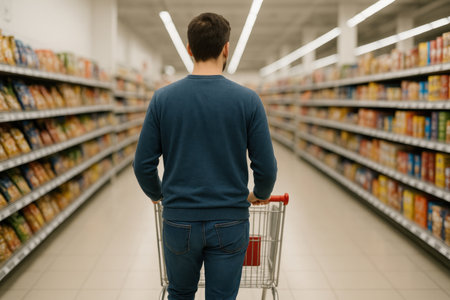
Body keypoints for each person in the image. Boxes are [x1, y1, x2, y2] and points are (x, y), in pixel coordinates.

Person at [133, 12, 277, 300]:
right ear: (226, 48)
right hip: (230, 220)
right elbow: (266, 167)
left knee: (180, 293)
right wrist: (260, 193)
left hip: (178, 220)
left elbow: (143, 164)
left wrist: (159, 194)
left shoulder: (163, 99)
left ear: (189, 49)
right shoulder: (247, 100)